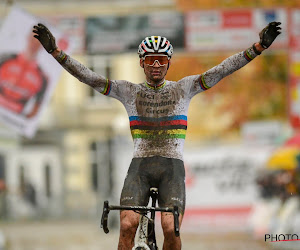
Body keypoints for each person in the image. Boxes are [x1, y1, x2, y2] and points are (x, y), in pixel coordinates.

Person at [33, 21, 281, 250]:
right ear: (141, 62)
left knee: (169, 229)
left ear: (169, 63)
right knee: (128, 226)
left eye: (161, 60)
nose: (156, 65)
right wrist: (56, 52)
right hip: (140, 167)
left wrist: (258, 48)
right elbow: (89, 77)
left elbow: (222, 70)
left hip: (171, 168)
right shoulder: (127, 91)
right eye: (150, 60)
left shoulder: (184, 88)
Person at [0, 33, 48, 119]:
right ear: (28, 38)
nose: (35, 44)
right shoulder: (5, 59)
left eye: (39, 42)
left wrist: (20, 121)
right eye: (33, 39)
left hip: (13, 119)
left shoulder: (42, 77)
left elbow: (37, 105)